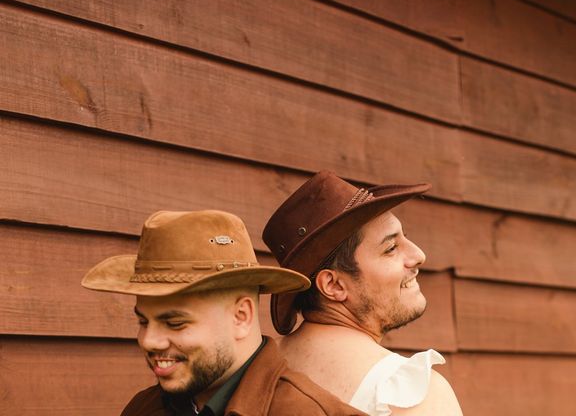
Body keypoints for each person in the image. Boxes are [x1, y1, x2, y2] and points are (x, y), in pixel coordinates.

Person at [82, 209, 366, 416]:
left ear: (241, 317)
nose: (149, 341)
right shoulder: (142, 409)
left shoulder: (307, 412)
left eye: (175, 323)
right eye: (143, 321)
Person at [262, 171, 463, 416]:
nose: (419, 255)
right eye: (391, 248)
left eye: (405, 239)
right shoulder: (412, 396)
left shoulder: (254, 372)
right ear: (334, 286)